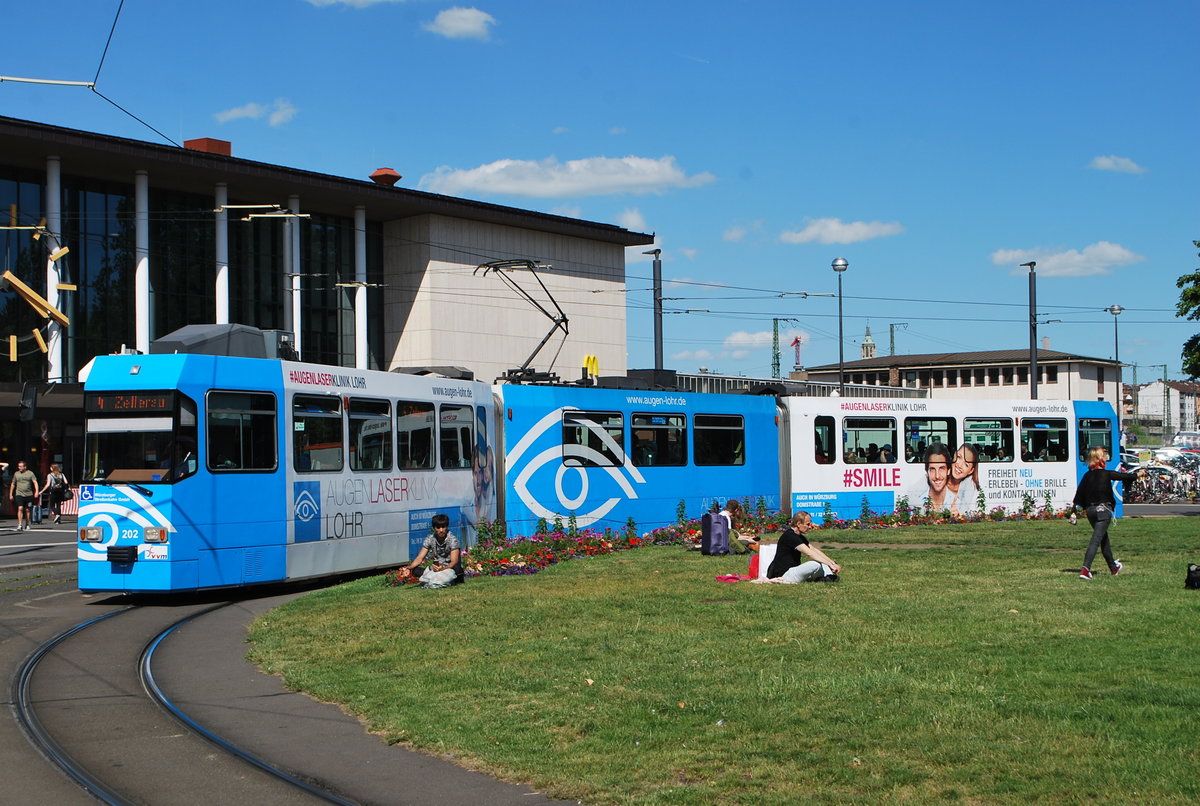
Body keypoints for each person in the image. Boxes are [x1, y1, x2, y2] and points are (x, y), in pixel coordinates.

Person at [1071, 446, 1145, 580]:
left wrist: (1073, 511)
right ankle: (1085, 569)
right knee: (1096, 540)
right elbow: (1123, 476)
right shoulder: (1106, 474)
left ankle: (1113, 567)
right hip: (1103, 510)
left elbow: (1079, 494)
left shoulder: (1087, 475)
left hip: (1090, 511)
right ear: (1100, 459)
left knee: (1103, 539)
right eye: (1104, 456)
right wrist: (1137, 474)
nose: (1106, 458)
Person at [765, 511, 841, 582]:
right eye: (807, 524)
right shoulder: (790, 536)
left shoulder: (799, 536)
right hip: (784, 574)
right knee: (815, 564)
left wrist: (832, 563)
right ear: (798, 524)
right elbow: (810, 553)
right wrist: (830, 565)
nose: (810, 526)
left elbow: (813, 550)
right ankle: (827, 576)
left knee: (822, 562)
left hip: (793, 570)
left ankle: (829, 576)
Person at [398, 513, 463, 587]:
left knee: (450, 573)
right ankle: (434, 580)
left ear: (447, 527)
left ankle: (434, 581)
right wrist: (408, 568)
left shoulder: (453, 540)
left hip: (450, 568)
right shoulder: (430, 539)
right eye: (438, 527)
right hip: (437, 568)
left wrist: (443, 569)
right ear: (434, 528)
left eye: (443, 527)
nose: (441, 530)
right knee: (415, 570)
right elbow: (420, 558)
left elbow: (454, 561)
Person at [905, 444, 953, 511]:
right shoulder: (916, 500)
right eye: (932, 469)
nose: (937, 476)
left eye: (941, 468)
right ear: (927, 472)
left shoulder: (956, 501)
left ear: (948, 471)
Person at [947, 443, 981, 517]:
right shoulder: (941, 472)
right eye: (959, 457)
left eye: (966, 465)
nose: (959, 465)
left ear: (971, 471)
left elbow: (962, 511)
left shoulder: (969, 483)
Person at [8, 460, 40, 531]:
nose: (19, 468)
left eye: (21, 466)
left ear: (25, 467)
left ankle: (27, 524)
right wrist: (10, 494)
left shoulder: (30, 473)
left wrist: (37, 491)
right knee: (20, 508)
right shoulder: (16, 474)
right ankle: (20, 524)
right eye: (18, 466)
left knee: (27, 510)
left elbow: (35, 482)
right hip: (19, 494)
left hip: (29, 494)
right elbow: (13, 484)